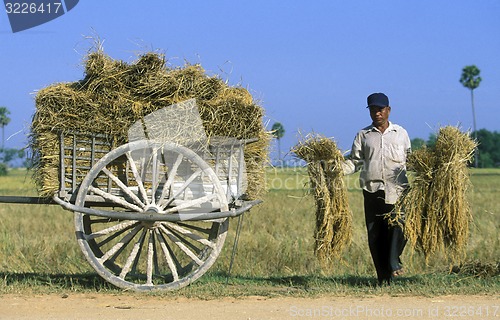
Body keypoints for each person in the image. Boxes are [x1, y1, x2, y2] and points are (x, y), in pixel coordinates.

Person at [343, 92, 410, 285]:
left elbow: (410, 159)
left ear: (388, 110)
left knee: (400, 227)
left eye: (380, 109)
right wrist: (335, 169)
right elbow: (354, 162)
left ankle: (393, 260)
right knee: (375, 235)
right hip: (372, 190)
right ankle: (383, 279)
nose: (377, 113)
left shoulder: (401, 134)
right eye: (373, 110)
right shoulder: (363, 135)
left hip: (397, 190)